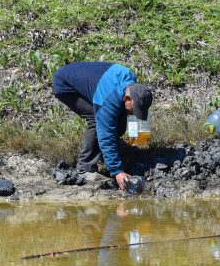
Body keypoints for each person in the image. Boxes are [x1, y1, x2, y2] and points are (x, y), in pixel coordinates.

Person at [52, 62, 153, 190]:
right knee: (96, 121)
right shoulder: (108, 99)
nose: (133, 113)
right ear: (127, 98)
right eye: (134, 109)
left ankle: (109, 156)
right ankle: (85, 169)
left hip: (96, 81)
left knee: (120, 120)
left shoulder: (134, 88)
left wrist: (139, 142)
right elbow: (106, 134)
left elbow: (134, 115)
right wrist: (117, 171)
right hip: (65, 84)